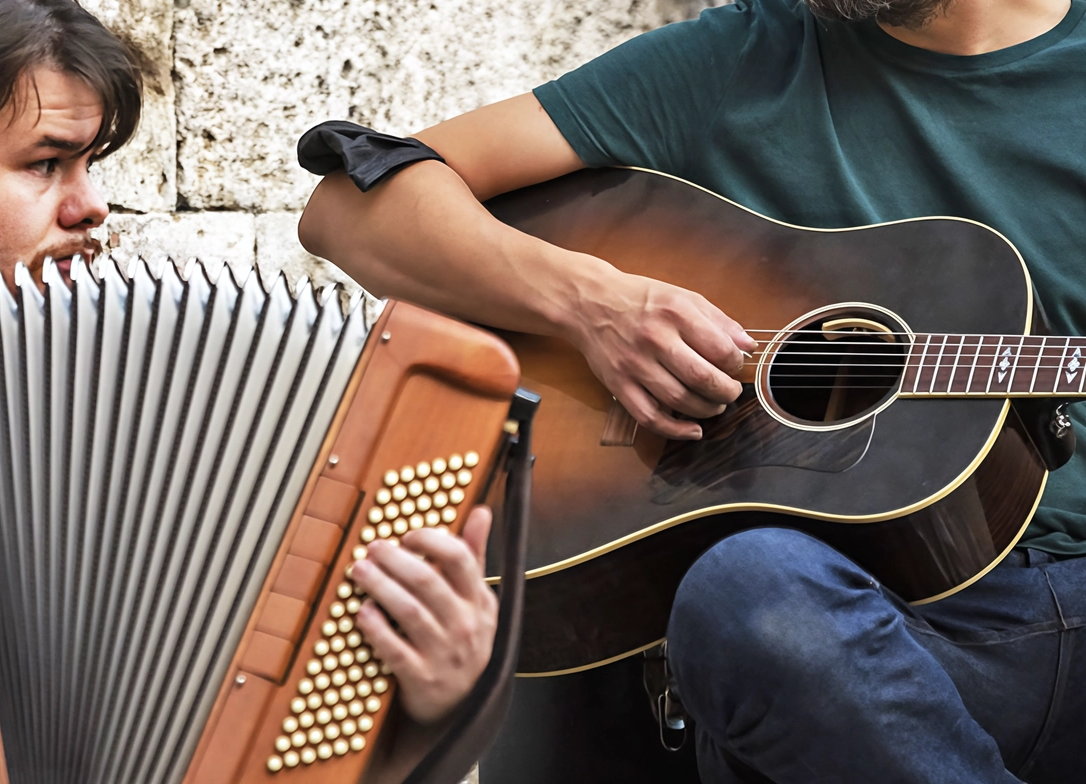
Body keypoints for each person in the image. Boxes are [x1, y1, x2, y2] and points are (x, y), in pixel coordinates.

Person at [0, 1, 498, 781]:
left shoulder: (155, 409)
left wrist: (435, 714)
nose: (91, 206)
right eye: (45, 164)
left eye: (89, 165)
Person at [299, 0, 1086, 781]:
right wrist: (591, 304)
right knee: (746, 586)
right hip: (834, 627)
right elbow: (349, 207)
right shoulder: (744, 57)